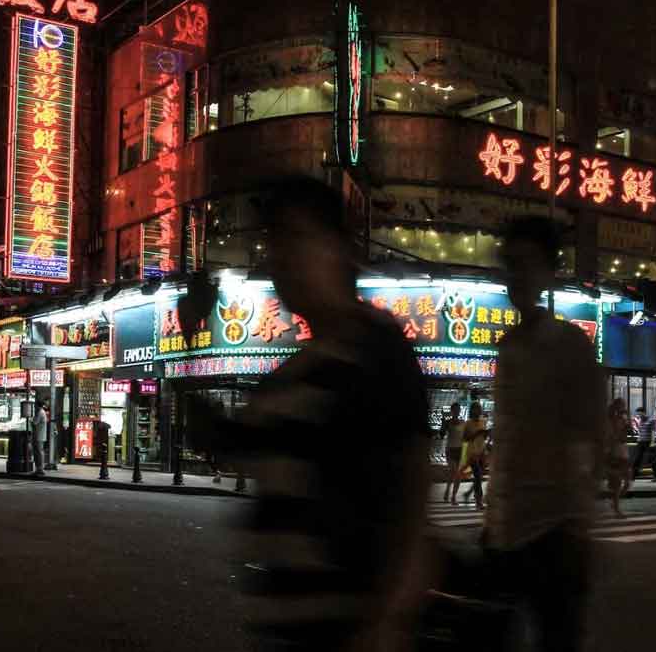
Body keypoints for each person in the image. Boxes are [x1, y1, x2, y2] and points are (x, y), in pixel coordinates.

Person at [204, 177, 429, 651]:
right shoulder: (292, 374)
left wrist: (386, 626)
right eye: (273, 244)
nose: (281, 260)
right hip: (286, 629)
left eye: (295, 239)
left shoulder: (377, 351)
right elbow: (256, 458)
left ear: (338, 249)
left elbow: (412, 506)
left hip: (351, 631)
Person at [484, 216, 604, 652]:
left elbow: (587, 438)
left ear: (549, 273)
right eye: (510, 264)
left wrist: (579, 528)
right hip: (504, 532)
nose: (516, 275)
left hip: (555, 536)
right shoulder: (508, 347)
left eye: (527, 264)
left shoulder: (571, 346)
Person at [459, 401, 489, 510]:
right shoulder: (468, 423)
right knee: (477, 476)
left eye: (479, 409)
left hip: (481, 452)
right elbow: (465, 438)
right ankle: (479, 501)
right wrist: (476, 434)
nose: (478, 411)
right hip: (472, 453)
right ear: (472, 410)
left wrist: (485, 433)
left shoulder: (483, 421)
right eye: (476, 409)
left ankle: (469, 494)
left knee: (479, 477)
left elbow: (483, 438)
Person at [605, 398, 632, 516]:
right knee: (617, 483)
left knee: (627, 481)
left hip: (623, 450)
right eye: (622, 406)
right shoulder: (611, 420)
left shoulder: (623, 419)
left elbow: (627, 432)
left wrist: (627, 423)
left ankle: (614, 503)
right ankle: (616, 508)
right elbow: (611, 436)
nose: (624, 408)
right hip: (614, 451)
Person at [442, 402, 467, 503]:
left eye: (458, 409)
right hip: (450, 450)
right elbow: (442, 434)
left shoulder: (463, 422)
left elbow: (466, 437)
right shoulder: (448, 422)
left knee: (458, 474)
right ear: (452, 411)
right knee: (453, 471)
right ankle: (448, 490)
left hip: (460, 450)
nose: (457, 411)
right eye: (455, 409)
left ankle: (453, 496)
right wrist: (443, 424)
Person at [631, 406, 656, 483]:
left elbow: (653, 432)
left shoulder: (651, 420)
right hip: (641, 442)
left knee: (652, 459)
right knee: (637, 459)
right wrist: (638, 439)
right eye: (638, 415)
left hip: (648, 442)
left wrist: (652, 442)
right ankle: (632, 477)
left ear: (644, 412)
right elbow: (640, 431)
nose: (639, 416)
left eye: (640, 414)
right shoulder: (640, 421)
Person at [30, 400, 48, 476]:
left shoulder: (40, 412)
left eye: (35, 405)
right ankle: (39, 468)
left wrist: (30, 419)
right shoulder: (42, 412)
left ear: (37, 405)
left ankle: (40, 469)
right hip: (40, 435)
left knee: (38, 452)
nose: (34, 407)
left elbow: (34, 422)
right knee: (39, 452)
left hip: (39, 435)